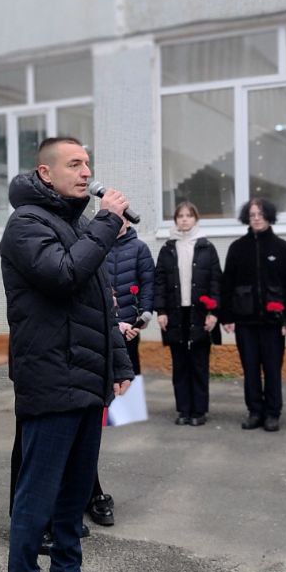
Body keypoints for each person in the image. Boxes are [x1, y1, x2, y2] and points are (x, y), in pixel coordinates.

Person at [0, 137, 133, 572]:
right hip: (51, 379)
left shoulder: (77, 225)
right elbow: (62, 275)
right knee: (36, 498)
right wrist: (106, 222)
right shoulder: (26, 224)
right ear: (45, 172)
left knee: (76, 493)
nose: (85, 172)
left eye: (87, 163)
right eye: (74, 164)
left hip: (88, 379)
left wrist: (119, 364)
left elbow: (101, 302)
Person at [91, 218, 155, 525]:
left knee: (128, 366)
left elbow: (148, 282)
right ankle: (108, 412)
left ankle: (125, 413)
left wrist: (141, 318)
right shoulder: (98, 246)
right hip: (108, 320)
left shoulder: (138, 248)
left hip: (130, 318)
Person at [220, 198, 286, 432]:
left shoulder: (283, 248)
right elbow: (227, 284)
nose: (256, 218)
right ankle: (255, 411)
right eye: (252, 214)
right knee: (250, 369)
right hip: (245, 321)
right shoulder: (237, 248)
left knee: (273, 369)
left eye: (261, 214)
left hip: (274, 322)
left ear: (269, 216)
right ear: (247, 217)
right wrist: (226, 317)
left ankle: (273, 413)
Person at [155, 200, 221, 426]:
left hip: (199, 314)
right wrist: (161, 311)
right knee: (180, 364)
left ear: (195, 219)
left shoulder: (206, 248)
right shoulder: (167, 249)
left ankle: (199, 411)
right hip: (175, 313)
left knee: (199, 364)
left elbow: (215, 282)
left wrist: (213, 312)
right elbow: (160, 282)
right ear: (175, 220)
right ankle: (183, 410)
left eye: (188, 216)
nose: (184, 220)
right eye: (180, 216)